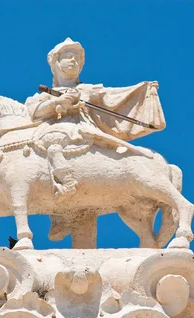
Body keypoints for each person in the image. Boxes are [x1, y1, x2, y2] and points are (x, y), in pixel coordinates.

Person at [26, 38, 166, 199]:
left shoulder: (89, 90)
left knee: (55, 142)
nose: (74, 60)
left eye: (78, 58)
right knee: (53, 141)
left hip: (86, 130)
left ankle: (68, 184)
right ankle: (64, 180)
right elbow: (33, 111)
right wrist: (56, 102)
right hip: (56, 130)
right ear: (56, 62)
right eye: (69, 56)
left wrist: (142, 88)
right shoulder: (44, 95)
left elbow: (117, 96)